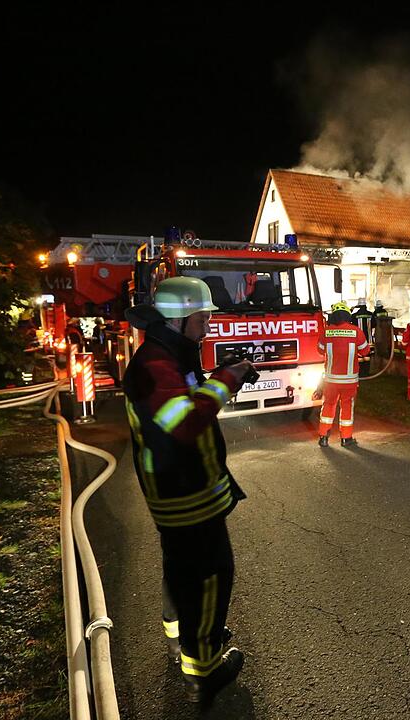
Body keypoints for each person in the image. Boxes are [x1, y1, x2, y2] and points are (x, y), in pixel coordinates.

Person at [122, 276, 253, 706]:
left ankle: (183, 633)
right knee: (212, 574)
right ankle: (205, 668)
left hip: (182, 488)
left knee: (182, 569)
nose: (209, 324)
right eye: (204, 316)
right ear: (182, 318)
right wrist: (227, 380)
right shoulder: (155, 366)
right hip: (185, 493)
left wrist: (219, 376)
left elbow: (185, 402)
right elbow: (184, 423)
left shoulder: (169, 354)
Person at [317, 302, 370, 447]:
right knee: (347, 407)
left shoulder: (326, 332)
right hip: (349, 381)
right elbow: (365, 351)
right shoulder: (356, 331)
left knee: (328, 405)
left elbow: (320, 350)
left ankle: (323, 437)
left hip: (330, 381)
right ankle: (346, 438)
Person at [351, 299, 375, 377]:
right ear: (365, 305)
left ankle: (360, 373)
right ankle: (366, 373)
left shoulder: (354, 315)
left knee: (359, 358)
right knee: (367, 357)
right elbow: (374, 325)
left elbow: (352, 326)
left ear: (358, 306)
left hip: (358, 341)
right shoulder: (371, 314)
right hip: (369, 341)